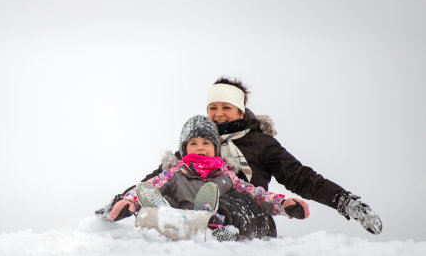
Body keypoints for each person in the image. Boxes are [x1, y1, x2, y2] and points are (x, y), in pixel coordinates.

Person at [96, 76, 382, 236]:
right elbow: (158, 178)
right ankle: (184, 220)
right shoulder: (198, 143)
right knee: (172, 189)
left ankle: (217, 220)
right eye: (213, 108)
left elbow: (300, 177)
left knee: (233, 197)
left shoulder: (261, 143)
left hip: (249, 213)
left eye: (226, 107)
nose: (219, 114)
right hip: (192, 212)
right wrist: (119, 203)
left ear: (241, 111)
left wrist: (344, 201)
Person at [107, 115, 310, 241]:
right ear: (184, 149)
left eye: (206, 142)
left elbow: (257, 195)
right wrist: (130, 202)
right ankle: (163, 212)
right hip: (183, 221)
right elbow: (150, 185)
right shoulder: (175, 172)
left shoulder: (227, 176)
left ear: (215, 148)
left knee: (240, 200)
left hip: (221, 225)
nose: (200, 147)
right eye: (193, 143)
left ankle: (215, 219)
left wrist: (283, 205)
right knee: (164, 196)